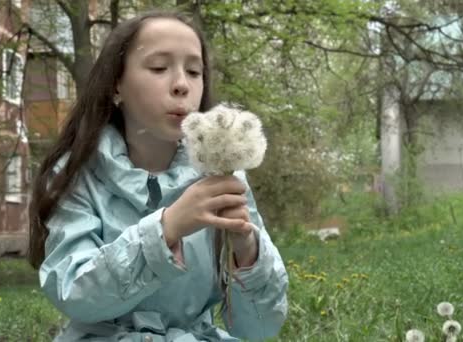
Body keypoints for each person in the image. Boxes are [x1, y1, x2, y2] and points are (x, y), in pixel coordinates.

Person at [27, 10, 288, 342]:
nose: (181, 84)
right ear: (116, 85)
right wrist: (166, 229)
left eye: (194, 71)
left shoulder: (222, 176)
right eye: (159, 68)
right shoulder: (76, 172)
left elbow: (260, 329)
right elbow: (74, 294)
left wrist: (247, 251)